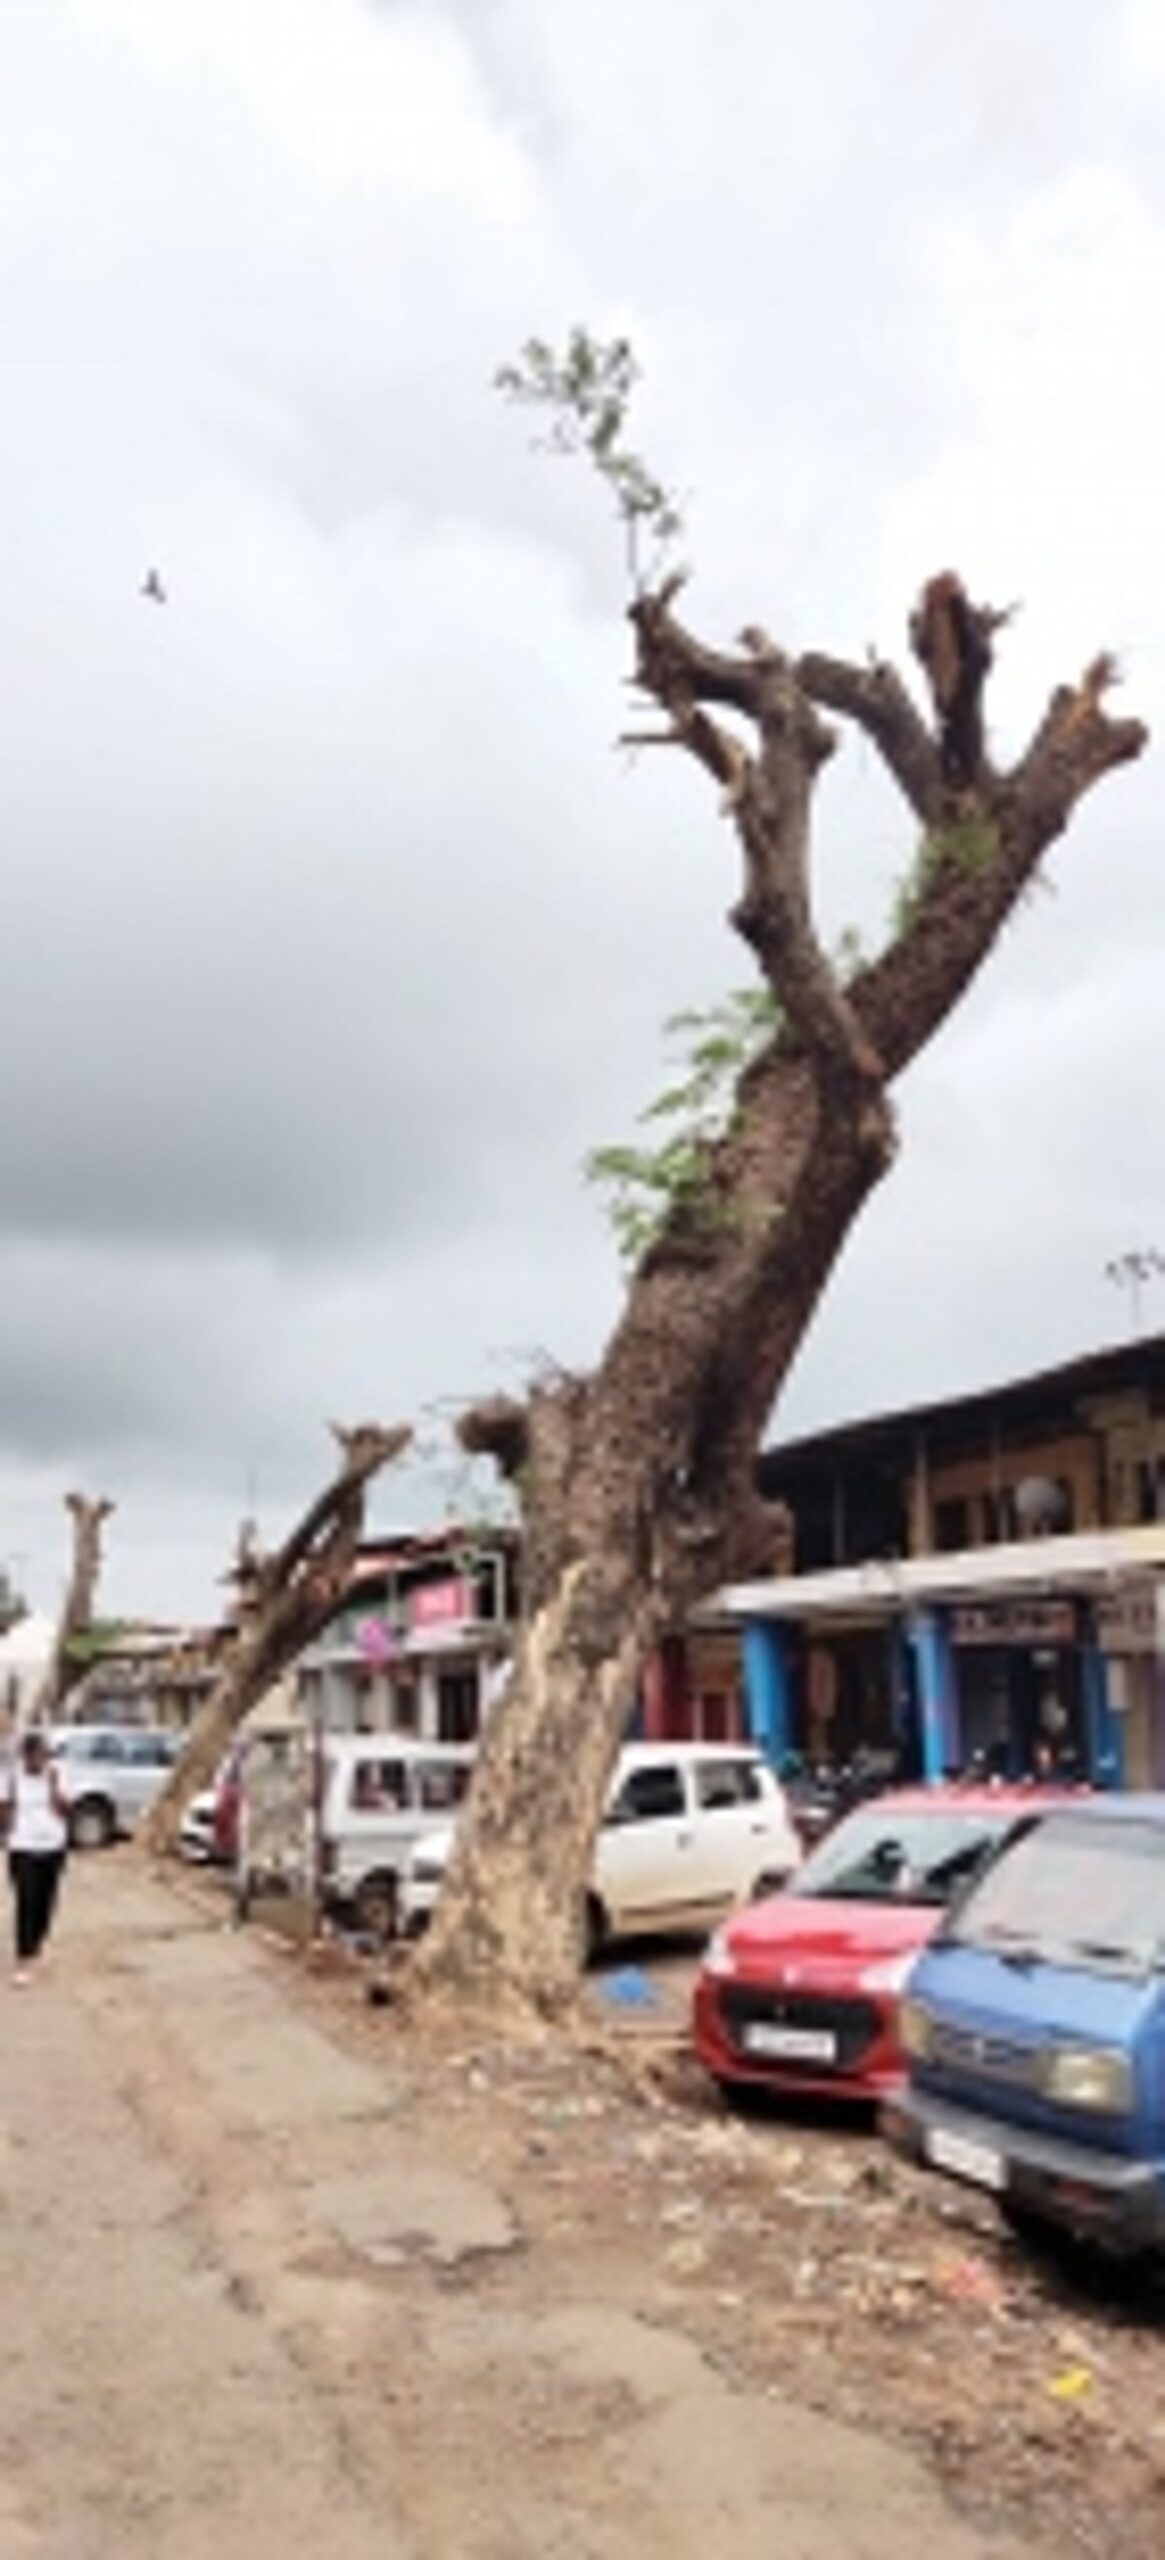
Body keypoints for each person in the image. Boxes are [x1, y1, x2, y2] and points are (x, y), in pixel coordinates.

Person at [1, 1727, 69, 1983]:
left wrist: (53, 1787)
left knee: (45, 1902)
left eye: (42, 1756)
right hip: (22, 1848)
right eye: (33, 1757)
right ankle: (23, 1958)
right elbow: (4, 1807)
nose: (38, 1762)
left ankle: (37, 1944)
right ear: (24, 1756)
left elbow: (65, 1810)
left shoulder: (58, 1774)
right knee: (26, 1901)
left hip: (54, 1847)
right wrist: (6, 1835)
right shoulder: (11, 1777)